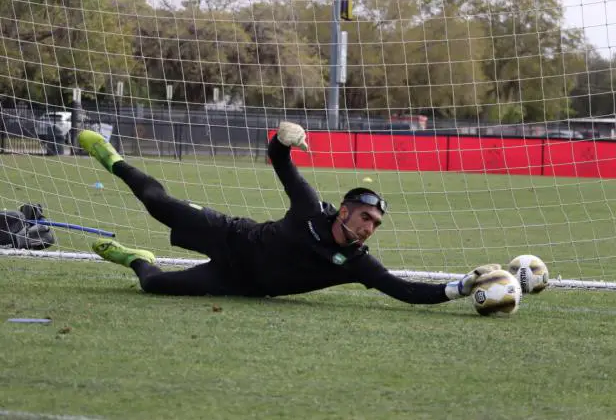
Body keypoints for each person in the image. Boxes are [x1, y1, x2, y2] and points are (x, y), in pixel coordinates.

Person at [78, 122, 499, 304]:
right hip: (231, 236)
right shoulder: (310, 208)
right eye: (366, 218)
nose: (370, 229)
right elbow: (280, 160)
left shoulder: (357, 263)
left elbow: (406, 291)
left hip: (236, 284)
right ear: (346, 211)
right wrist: (284, 138)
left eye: (375, 225)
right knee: (157, 204)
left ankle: (136, 258)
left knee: (153, 287)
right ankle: (114, 159)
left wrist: (460, 287)